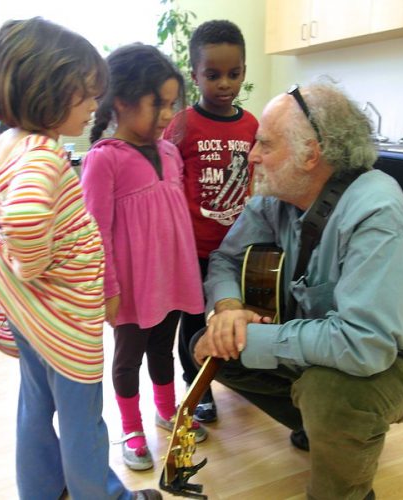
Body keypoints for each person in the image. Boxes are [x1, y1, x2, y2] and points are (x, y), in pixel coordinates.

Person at [191, 81, 403, 500]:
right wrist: (230, 308)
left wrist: (249, 336)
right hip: (329, 339)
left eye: (265, 145)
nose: (252, 155)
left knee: (332, 393)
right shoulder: (278, 196)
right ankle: (324, 430)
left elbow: (367, 345)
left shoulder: (377, 214)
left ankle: (344, 487)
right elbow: (225, 260)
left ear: (311, 153)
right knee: (210, 348)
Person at [0, 17, 162, 500]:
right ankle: (103, 495)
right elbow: (25, 225)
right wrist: (18, 265)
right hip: (66, 321)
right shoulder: (44, 156)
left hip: (33, 317)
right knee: (82, 419)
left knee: (35, 405)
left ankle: (44, 490)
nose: (95, 106)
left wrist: (4, 269)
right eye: (87, 95)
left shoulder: (6, 145)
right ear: (51, 90)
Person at [81, 43, 207, 472]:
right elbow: (94, 233)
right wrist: (108, 290)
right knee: (128, 357)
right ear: (122, 101)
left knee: (163, 348)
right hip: (131, 288)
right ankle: (132, 428)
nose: (168, 115)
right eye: (159, 104)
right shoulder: (103, 160)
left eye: (173, 104)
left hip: (170, 279)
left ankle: (166, 409)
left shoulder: (171, 153)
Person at [163, 19, 258, 423]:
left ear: (244, 73)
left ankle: (243, 378)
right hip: (193, 248)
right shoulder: (182, 124)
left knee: (238, 314)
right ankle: (195, 384)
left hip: (238, 248)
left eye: (233, 75)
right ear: (194, 75)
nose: (224, 84)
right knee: (193, 321)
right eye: (213, 75)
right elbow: (166, 181)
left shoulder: (252, 125)